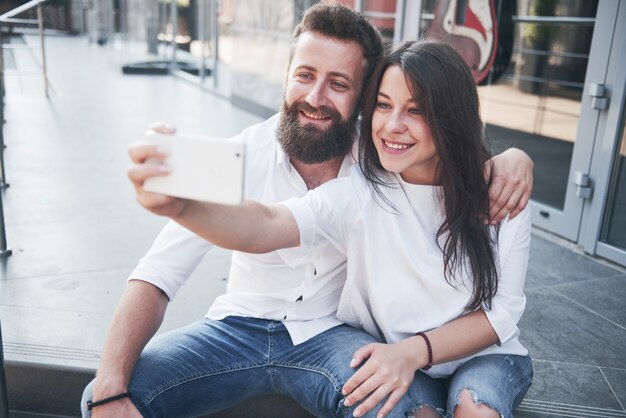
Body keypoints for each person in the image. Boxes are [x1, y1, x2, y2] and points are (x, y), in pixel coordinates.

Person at [83, 4, 534, 418]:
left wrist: (514, 158)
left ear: (360, 98)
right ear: (286, 76)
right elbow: (243, 233)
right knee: (108, 396)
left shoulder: (378, 164)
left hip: (329, 335)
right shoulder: (244, 155)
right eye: (304, 75)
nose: (316, 97)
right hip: (235, 327)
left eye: (338, 84)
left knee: (383, 404)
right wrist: (184, 204)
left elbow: (443, 144)